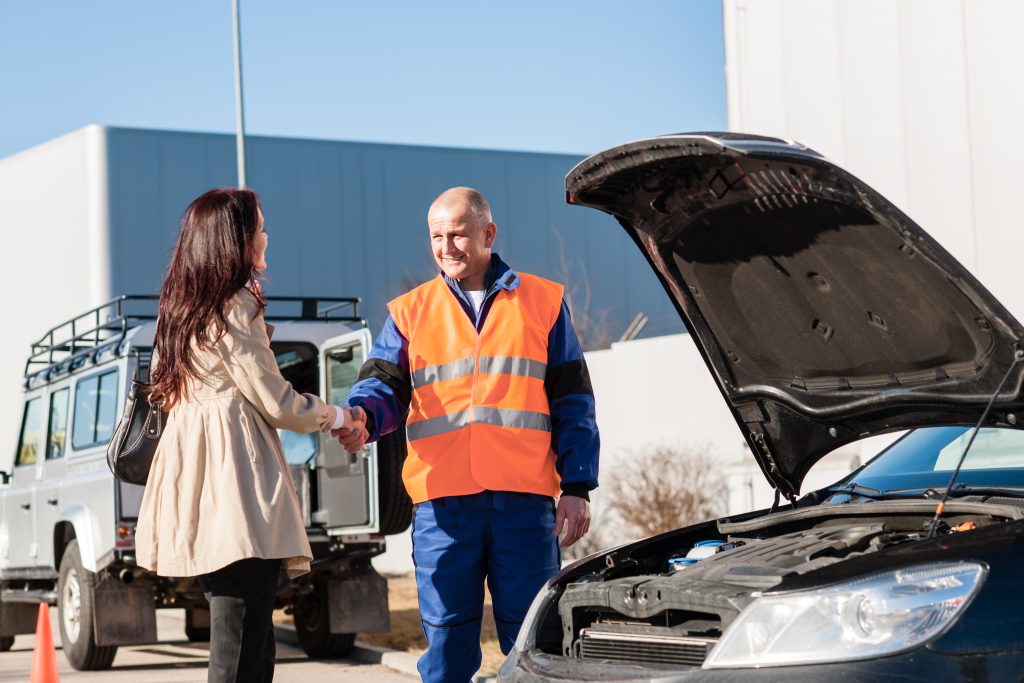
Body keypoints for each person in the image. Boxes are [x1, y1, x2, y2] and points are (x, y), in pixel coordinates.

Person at [336, 187, 600, 682]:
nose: (446, 246)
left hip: (523, 502)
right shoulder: (410, 312)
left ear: (488, 233)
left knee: (533, 643)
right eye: (436, 236)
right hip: (443, 505)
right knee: (446, 642)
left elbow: (574, 402)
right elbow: (382, 385)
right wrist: (363, 418)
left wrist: (578, 486)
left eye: (457, 234)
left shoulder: (543, 302)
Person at [134, 188, 355, 683]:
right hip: (235, 488)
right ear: (234, 239)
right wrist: (337, 417)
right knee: (241, 640)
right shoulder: (234, 306)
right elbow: (276, 400)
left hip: (198, 481)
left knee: (248, 633)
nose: (266, 236)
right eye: (259, 226)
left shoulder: (181, 310)